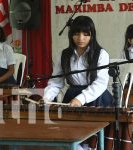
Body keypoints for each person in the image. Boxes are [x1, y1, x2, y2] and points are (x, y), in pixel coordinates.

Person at [42, 15, 113, 149]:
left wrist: (81, 99)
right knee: (71, 138)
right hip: (72, 97)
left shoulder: (101, 54)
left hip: (96, 98)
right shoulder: (64, 55)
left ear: (92, 35)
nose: (80, 38)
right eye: (76, 34)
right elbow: (56, 81)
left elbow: (100, 83)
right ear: (71, 35)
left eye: (86, 34)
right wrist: (47, 98)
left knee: (94, 140)